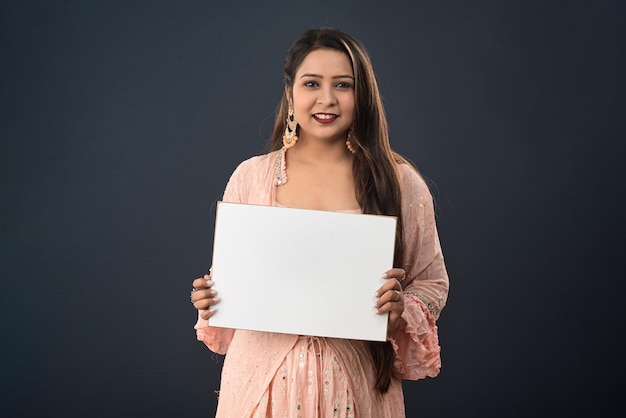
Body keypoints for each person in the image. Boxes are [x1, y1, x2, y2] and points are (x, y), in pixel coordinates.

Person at [191, 27, 449, 418]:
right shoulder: (251, 176)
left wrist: (403, 307)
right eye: (312, 83)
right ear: (290, 91)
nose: (326, 99)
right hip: (260, 392)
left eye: (342, 85)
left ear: (361, 95)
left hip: (357, 389)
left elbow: (432, 282)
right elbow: (232, 275)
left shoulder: (399, 182)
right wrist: (211, 296)